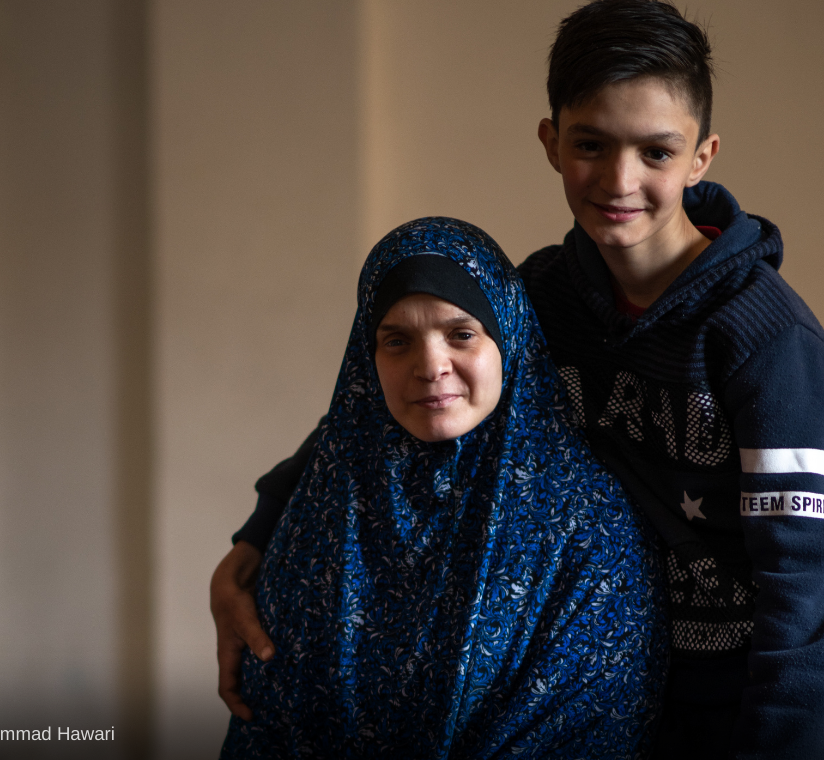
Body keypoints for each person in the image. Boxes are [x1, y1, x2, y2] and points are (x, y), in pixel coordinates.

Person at [213, 0, 824, 759]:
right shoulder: (546, 298)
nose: (619, 179)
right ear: (552, 143)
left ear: (702, 156)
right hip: (688, 669)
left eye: (654, 151)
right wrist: (260, 533)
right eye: (591, 145)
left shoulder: (766, 338)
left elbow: (810, 589)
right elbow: (391, 403)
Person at [219, 218, 668, 757]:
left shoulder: (587, 528)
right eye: (396, 341)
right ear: (367, 360)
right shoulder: (323, 508)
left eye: (461, 334)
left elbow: (594, 724)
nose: (430, 366)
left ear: (508, 339)